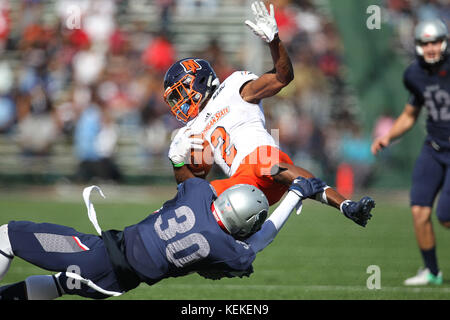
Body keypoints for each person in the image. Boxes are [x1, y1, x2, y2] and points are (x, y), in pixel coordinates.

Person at [164, 1, 375, 227]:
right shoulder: (193, 129)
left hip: (265, 165)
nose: (181, 103)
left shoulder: (233, 88)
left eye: (181, 93)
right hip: (240, 186)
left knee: (263, 162)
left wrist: (274, 41)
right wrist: (178, 163)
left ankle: (346, 205)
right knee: (187, 204)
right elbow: (194, 185)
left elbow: (282, 77)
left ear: (200, 80)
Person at [0, 175, 325, 300]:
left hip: (95, 254)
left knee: (7, 236)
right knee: (60, 285)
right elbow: (261, 240)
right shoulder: (227, 249)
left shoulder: (197, 194)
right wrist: (295, 195)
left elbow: (196, 179)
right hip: (114, 285)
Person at [371, 18, 449, 286]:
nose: (431, 48)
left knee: (446, 217)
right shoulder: (414, 74)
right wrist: (387, 136)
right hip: (434, 146)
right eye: (426, 43)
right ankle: (432, 272)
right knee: (419, 210)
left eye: (435, 41)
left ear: (445, 42)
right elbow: (410, 113)